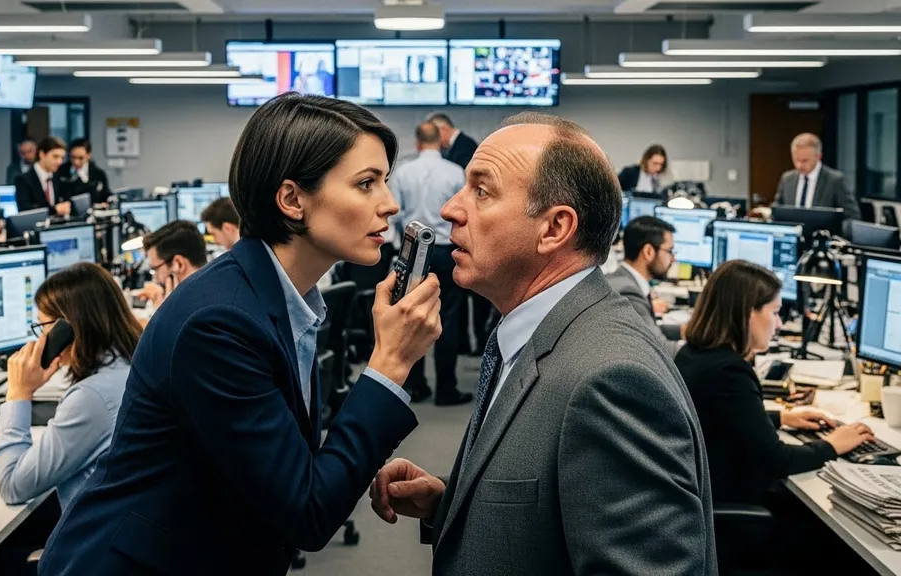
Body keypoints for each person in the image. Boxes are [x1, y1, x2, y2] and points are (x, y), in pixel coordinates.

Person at [39, 92, 443, 575]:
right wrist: (390, 363)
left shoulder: (277, 299)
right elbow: (308, 513)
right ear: (292, 200)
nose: (390, 204)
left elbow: (280, 467)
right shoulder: (220, 323)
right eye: (366, 183)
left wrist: (346, 463)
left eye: (384, 182)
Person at [370, 112, 716, 575]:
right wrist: (452, 500)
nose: (451, 209)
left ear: (554, 229)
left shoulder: (611, 380)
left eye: (481, 191)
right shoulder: (537, 332)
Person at [676, 259, 872, 505]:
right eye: (775, 312)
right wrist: (832, 444)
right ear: (748, 313)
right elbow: (778, 460)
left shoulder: (693, 353)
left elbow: (721, 420)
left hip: (704, 491)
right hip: (731, 501)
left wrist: (782, 418)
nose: (779, 324)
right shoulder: (729, 371)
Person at [0, 262, 142, 509]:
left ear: (67, 329)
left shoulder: (90, 397)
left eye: (43, 326)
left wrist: (19, 392)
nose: (41, 339)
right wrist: (19, 443)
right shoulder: (132, 361)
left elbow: (13, 486)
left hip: (97, 531)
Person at [390, 122, 471, 406]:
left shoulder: (403, 172)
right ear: (441, 142)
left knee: (413, 316)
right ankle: (446, 389)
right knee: (448, 318)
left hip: (413, 252)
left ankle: (416, 386)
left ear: (417, 143)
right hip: (447, 252)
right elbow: (465, 215)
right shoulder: (455, 172)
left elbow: (394, 214)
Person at [426, 111, 492, 356]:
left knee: (474, 298)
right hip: (450, 242)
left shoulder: (465, 149)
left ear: (443, 129)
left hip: (467, 237)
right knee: (457, 303)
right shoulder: (453, 156)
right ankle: (465, 344)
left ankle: (481, 344)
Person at [607, 215, 684, 356]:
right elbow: (660, 350)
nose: (673, 259)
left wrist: (683, 331)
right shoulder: (627, 292)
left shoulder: (622, 279)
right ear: (648, 251)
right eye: (670, 251)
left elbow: (646, 329)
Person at [774, 133, 861, 221]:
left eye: (804, 161)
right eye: (796, 160)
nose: (799, 165)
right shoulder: (787, 179)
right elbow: (776, 212)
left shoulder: (836, 181)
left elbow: (853, 217)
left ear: (818, 157)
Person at [138, 220, 208, 309]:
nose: (156, 279)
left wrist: (164, 309)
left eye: (156, 269)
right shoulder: (210, 291)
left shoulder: (193, 308)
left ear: (179, 264)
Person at [14, 137, 72, 217]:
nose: (59, 162)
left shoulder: (58, 177)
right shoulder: (23, 180)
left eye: (62, 158)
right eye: (55, 156)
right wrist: (54, 210)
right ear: (42, 154)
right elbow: (25, 210)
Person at [59, 138, 111, 205]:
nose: (76, 162)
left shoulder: (98, 174)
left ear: (89, 155)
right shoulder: (60, 172)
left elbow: (105, 195)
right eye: (73, 157)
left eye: (80, 158)